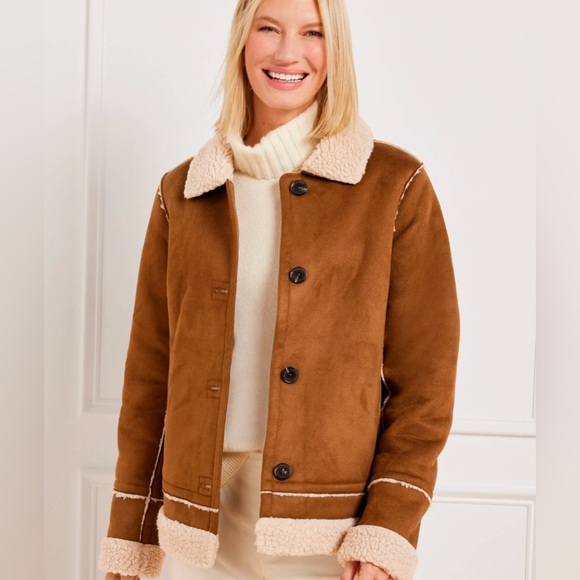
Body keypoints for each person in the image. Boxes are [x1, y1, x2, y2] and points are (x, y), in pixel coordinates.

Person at [99, 0, 460, 578]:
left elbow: (425, 385)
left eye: (312, 33)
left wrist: (388, 529)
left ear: (334, 49)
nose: (288, 52)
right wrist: (130, 535)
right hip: (200, 522)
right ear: (243, 41)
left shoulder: (394, 187)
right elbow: (150, 376)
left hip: (328, 529)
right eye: (268, 28)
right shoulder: (184, 194)